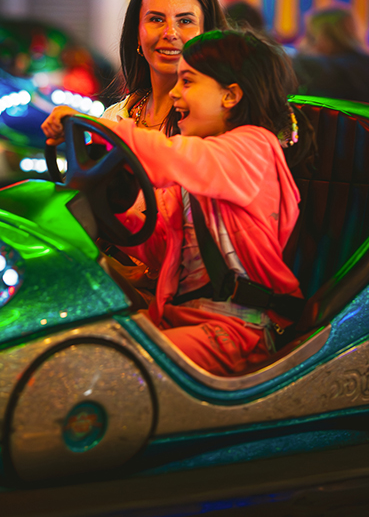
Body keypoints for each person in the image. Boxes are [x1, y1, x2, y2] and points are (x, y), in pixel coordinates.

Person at [43, 30, 314, 376]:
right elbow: (159, 248)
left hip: (238, 332)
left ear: (230, 95)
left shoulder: (252, 149)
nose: (173, 93)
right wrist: (114, 210)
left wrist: (98, 128)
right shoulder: (198, 169)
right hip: (177, 318)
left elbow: (170, 155)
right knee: (69, 340)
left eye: (187, 82)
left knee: (108, 364)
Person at [104, 0, 227, 135]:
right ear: (137, 34)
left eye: (185, 21)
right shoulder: (113, 116)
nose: (170, 34)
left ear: (208, 33)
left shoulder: (219, 123)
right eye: (156, 19)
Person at [292, 6, 369, 106]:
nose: (304, 42)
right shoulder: (368, 61)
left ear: (324, 37)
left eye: (310, 36)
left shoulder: (331, 67)